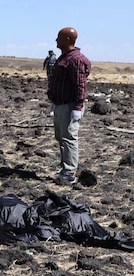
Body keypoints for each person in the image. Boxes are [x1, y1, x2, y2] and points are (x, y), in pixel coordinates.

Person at [47, 27, 91, 184]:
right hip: (60, 104)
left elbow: (81, 85)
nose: (56, 40)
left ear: (67, 40)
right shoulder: (64, 58)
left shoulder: (75, 60)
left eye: (59, 37)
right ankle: (65, 168)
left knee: (69, 138)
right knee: (61, 138)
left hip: (70, 106)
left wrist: (78, 107)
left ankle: (70, 172)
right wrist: (53, 100)